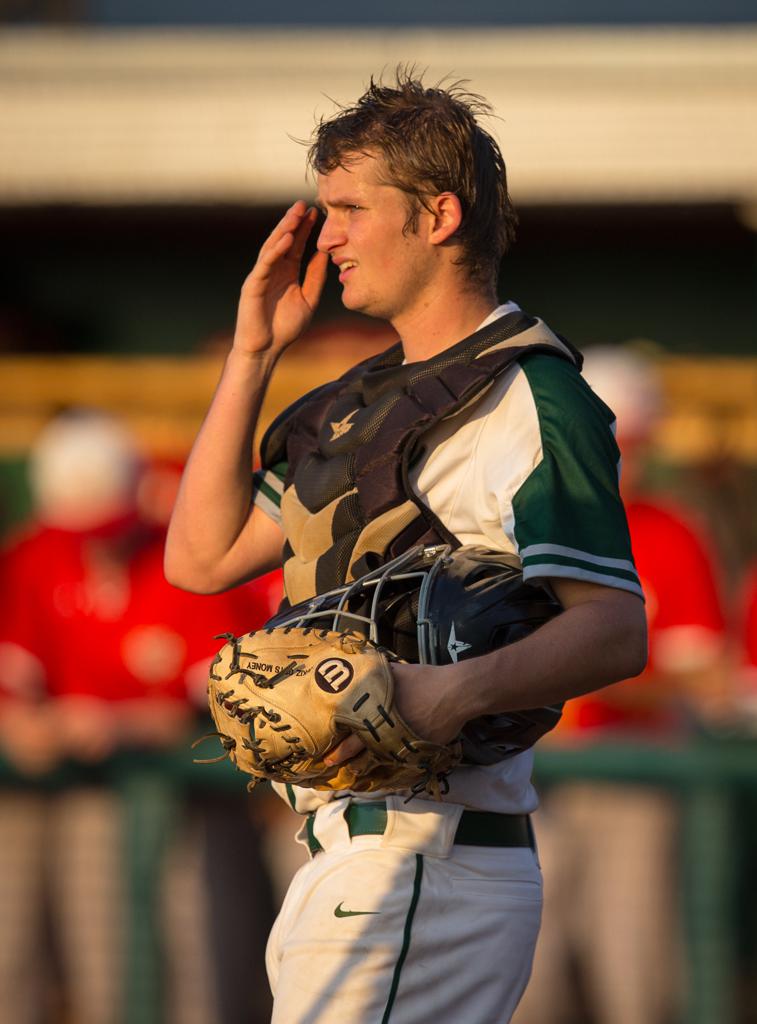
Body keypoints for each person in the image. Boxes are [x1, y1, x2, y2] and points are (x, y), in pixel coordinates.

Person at [165, 72, 647, 1024]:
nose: (326, 234)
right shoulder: (359, 397)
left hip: (427, 852)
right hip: (353, 859)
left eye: (349, 208)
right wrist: (251, 354)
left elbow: (614, 630)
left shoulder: (528, 395)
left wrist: (444, 692)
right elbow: (202, 558)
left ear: (437, 215)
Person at [0, 409, 281, 1024]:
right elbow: (14, 683)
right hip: (69, 788)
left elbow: (222, 703)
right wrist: (25, 724)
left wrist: (116, 723)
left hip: (194, 791)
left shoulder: (181, 559)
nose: (94, 543)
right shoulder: (33, 557)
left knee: (201, 954)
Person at [513, 347, 727, 1024]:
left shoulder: (666, 531)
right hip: (524, 775)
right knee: (521, 963)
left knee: (630, 966)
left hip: (631, 774)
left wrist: (588, 684)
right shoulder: (514, 526)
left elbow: (708, 679)